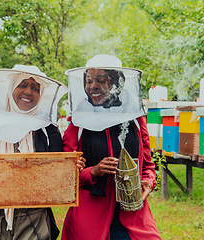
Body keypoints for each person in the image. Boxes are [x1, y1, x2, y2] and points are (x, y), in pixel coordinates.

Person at [0, 65, 83, 240]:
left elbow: (59, 180)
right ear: (11, 89)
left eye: (35, 88)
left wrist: (72, 170)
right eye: (22, 85)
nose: (28, 92)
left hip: (35, 221)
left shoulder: (48, 131)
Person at [62, 55, 161, 239]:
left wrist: (148, 182)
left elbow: (147, 166)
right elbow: (64, 172)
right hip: (90, 218)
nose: (93, 86)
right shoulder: (77, 124)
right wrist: (92, 171)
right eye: (88, 80)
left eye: (101, 80)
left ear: (117, 84)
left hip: (133, 215)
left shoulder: (136, 121)